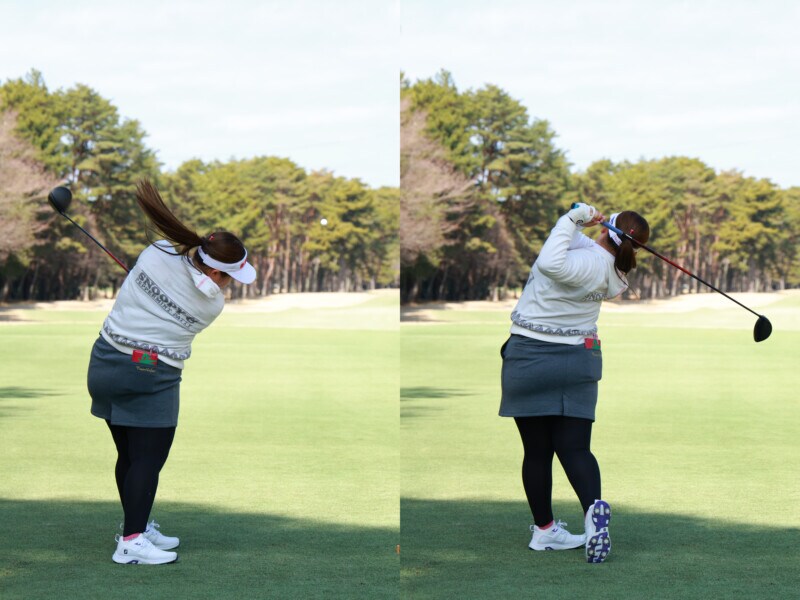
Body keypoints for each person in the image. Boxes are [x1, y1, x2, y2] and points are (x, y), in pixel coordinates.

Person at [87, 180, 257, 565]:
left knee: (130, 455)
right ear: (216, 274)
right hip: (146, 370)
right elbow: (195, 290)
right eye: (230, 277)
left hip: (104, 363)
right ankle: (131, 543)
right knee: (148, 459)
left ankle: (137, 525)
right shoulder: (212, 304)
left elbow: (173, 268)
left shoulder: (157, 250)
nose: (231, 284)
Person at [499, 202, 650, 564]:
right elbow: (572, 245)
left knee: (537, 452)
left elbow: (550, 261)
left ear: (609, 230)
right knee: (576, 448)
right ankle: (592, 513)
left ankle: (545, 530)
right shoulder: (615, 272)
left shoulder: (581, 262)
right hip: (580, 358)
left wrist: (572, 218)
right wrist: (584, 224)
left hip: (531, 355)